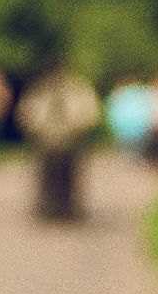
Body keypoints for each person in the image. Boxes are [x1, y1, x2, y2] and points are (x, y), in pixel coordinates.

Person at [14, 62, 99, 221]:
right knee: (47, 176)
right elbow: (28, 110)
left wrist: (80, 123)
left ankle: (69, 208)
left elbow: (89, 109)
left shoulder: (77, 87)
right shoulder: (41, 89)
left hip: (70, 137)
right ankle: (47, 207)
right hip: (46, 138)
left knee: (69, 176)